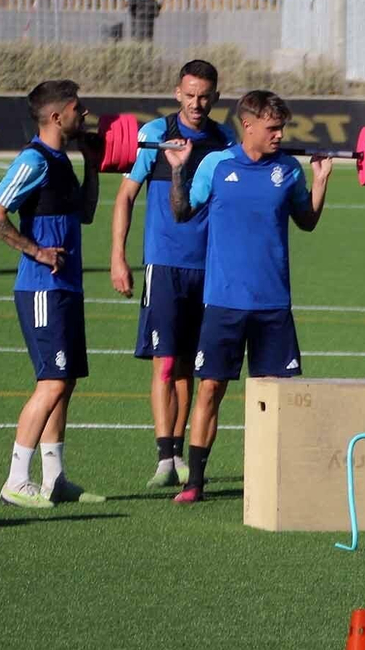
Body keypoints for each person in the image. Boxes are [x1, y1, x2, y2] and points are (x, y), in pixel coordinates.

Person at [165, 89, 332, 503]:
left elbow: (307, 221)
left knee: (276, 397)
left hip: (273, 304)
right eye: (273, 128)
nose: (280, 135)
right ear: (248, 125)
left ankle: (275, 477)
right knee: (210, 389)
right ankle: (195, 481)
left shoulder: (289, 169)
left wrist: (320, 181)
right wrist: (178, 170)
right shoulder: (216, 165)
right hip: (224, 302)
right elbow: (182, 212)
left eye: (282, 128)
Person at [109, 59, 235, 489]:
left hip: (209, 267)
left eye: (205, 96)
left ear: (215, 97)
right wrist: (118, 257)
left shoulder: (224, 141)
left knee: (190, 363)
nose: (196, 103)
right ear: (178, 93)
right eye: (190, 94)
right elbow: (126, 196)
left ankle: (179, 453)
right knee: (164, 362)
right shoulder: (154, 135)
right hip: (163, 263)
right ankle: (165, 458)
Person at [0, 79, 104, 509]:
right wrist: (36, 251)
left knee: (64, 383)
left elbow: (85, 213)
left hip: (66, 287)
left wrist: (92, 164)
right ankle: (16, 480)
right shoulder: (33, 160)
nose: (83, 114)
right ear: (56, 116)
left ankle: (55, 479)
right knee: (51, 383)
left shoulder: (61, 160)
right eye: (77, 108)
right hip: (42, 289)